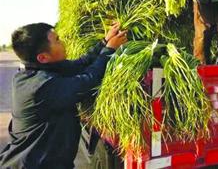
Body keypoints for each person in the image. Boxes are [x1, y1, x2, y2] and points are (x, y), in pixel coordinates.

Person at [0, 22, 127, 169]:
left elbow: (81, 64)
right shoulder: (40, 87)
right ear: (43, 57)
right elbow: (88, 81)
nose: (63, 42)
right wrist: (110, 49)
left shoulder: (41, 69)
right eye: (57, 40)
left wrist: (105, 42)